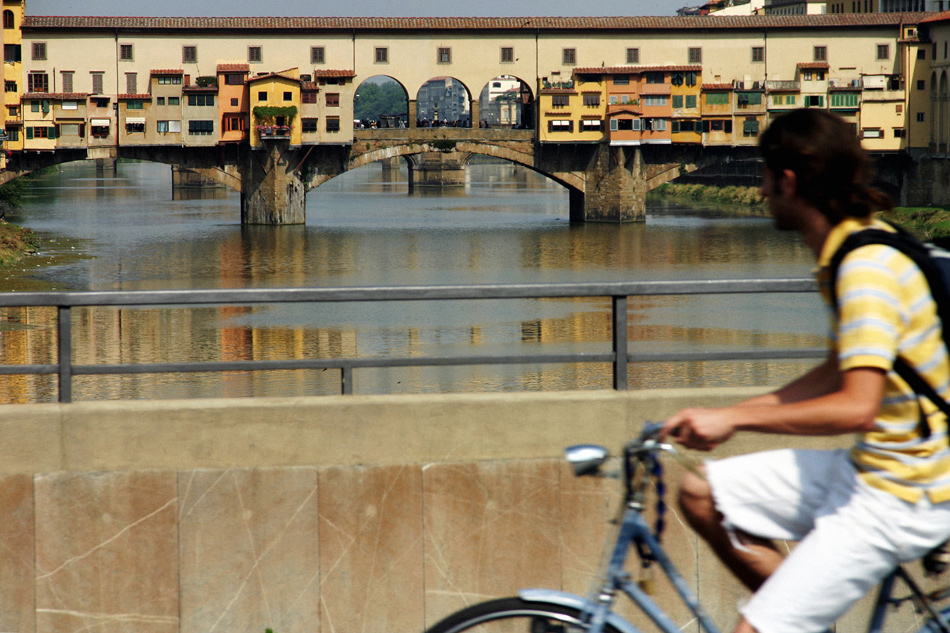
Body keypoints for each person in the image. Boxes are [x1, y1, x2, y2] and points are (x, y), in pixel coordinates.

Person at [662, 108, 950, 633]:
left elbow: (857, 406)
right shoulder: (852, 246)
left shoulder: (865, 269)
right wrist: (728, 413)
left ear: (788, 181)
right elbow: (838, 371)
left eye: (764, 177)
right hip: (867, 470)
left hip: (902, 495)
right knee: (701, 493)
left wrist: (738, 422)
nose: (761, 189)